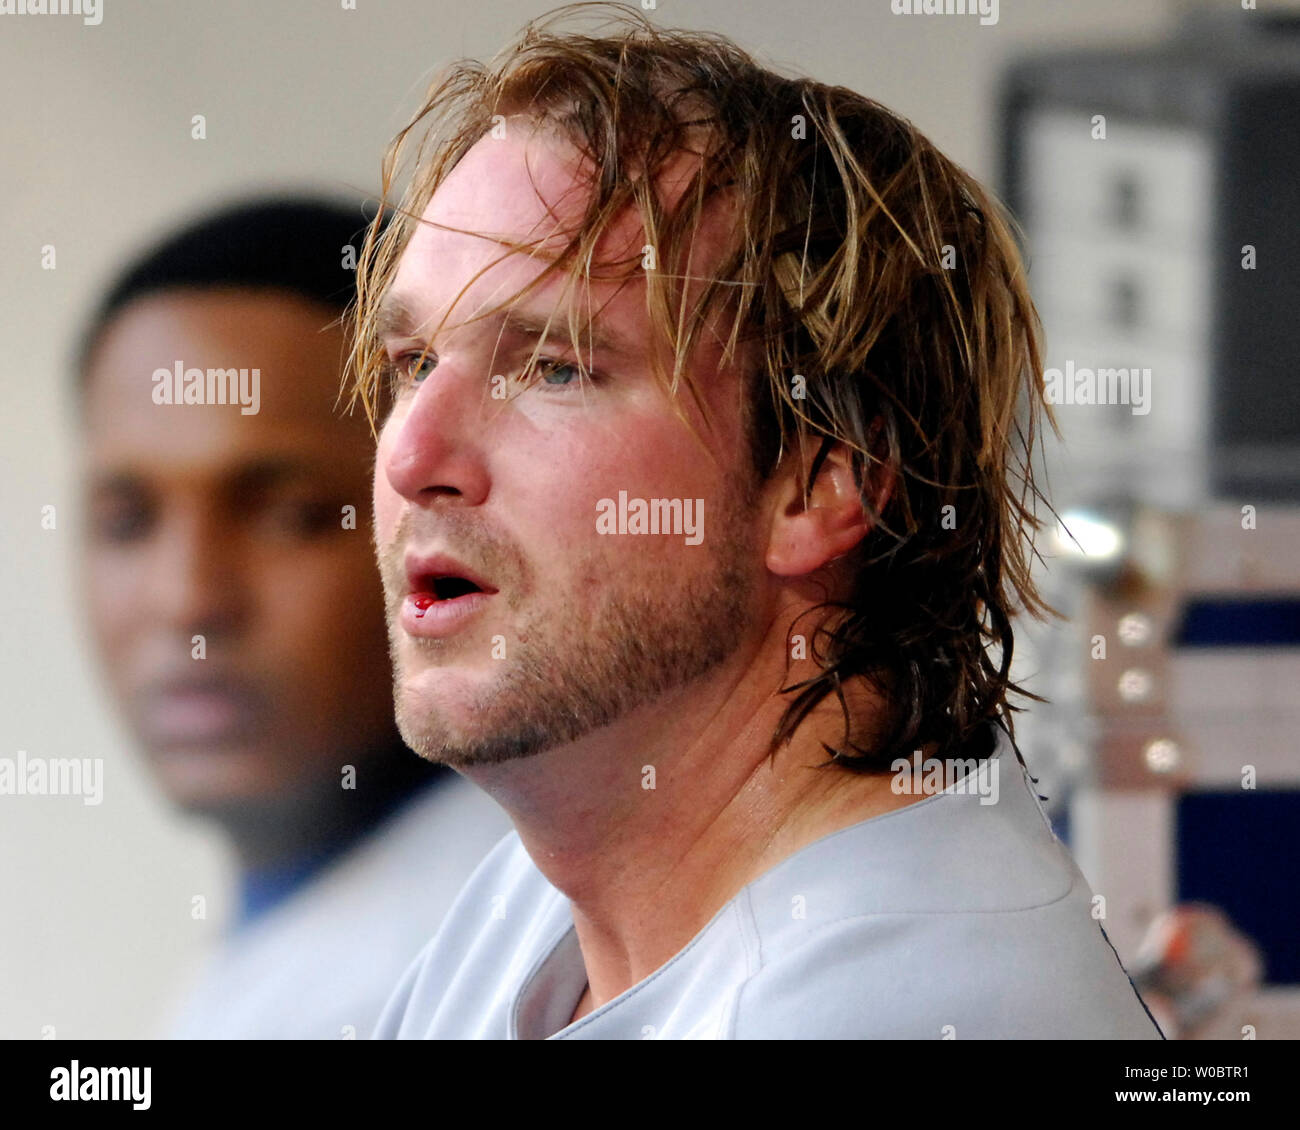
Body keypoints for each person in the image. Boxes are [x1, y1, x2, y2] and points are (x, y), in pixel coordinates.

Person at [352, 4, 1163, 1039]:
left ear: (820, 481)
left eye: (553, 366)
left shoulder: (894, 1006)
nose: (414, 457)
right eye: (413, 363)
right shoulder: (542, 894)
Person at [77, 197, 510, 1039]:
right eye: (128, 521)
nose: (190, 600)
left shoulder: (519, 970)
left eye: (293, 516)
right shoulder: (289, 942)